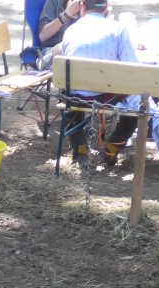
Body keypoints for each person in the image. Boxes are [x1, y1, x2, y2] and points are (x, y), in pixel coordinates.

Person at [59, 0, 140, 167]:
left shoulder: (71, 30)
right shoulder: (118, 29)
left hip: (75, 95)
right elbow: (132, 68)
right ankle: (111, 148)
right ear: (106, 8)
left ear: (82, 7)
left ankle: (79, 149)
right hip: (107, 97)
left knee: (67, 96)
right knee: (136, 104)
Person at [36, 0, 83, 69]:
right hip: (51, 53)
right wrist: (66, 14)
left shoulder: (93, 5)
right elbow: (43, 36)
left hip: (81, 54)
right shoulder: (54, 2)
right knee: (66, 47)